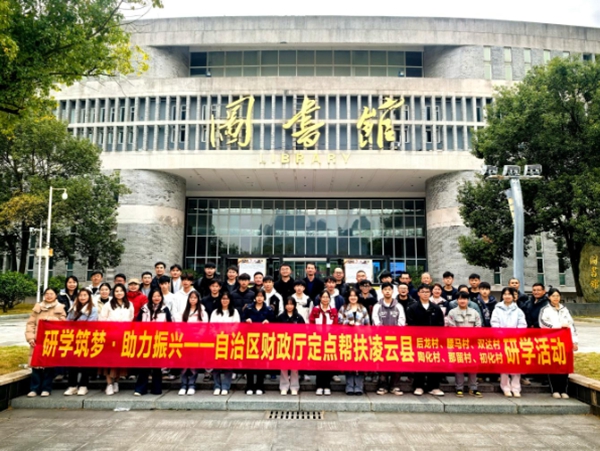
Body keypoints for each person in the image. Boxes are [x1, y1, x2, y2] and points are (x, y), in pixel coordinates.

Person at [25, 288, 66, 397]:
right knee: (36, 365)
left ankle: (46, 388)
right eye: (47, 294)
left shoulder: (60, 308)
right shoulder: (37, 307)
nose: (49, 296)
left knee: (49, 366)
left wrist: (50, 319)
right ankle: (34, 389)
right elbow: (30, 324)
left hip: (51, 340)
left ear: (56, 295)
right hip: (37, 341)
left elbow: (63, 324)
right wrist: (30, 338)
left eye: (51, 294)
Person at [406, 284, 445, 396]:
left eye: (427, 292)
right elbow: (411, 324)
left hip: (433, 341)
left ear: (430, 293)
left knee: (434, 363)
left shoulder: (436, 308)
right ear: (418, 293)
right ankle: (419, 386)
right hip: (418, 340)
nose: (425, 294)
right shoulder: (413, 308)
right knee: (420, 363)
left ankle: (434, 387)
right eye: (422, 292)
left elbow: (440, 324)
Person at [539, 287, 578, 399]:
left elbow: (572, 325)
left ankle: (563, 390)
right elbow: (543, 323)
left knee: (564, 366)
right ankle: (555, 389)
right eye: (553, 296)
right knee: (554, 365)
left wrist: (575, 341)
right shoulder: (545, 310)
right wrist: (558, 327)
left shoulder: (564, 310)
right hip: (552, 341)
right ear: (549, 297)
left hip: (565, 341)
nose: (556, 298)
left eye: (557, 296)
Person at [134, 289, 172, 396]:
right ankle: (141, 389)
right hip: (145, 340)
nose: (156, 298)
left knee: (157, 366)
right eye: (154, 296)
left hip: (159, 340)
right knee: (144, 366)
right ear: (150, 297)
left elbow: (169, 325)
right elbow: (137, 324)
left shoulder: (165, 309)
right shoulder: (144, 309)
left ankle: (156, 389)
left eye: (158, 296)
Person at [491, 286, 527, 397]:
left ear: (513, 296)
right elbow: (494, 323)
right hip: (502, 340)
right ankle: (505, 387)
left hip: (515, 341)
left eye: (509, 294)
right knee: (504, 364)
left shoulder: (518, 310)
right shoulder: (497, 309)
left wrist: (515, 334)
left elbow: (522, 324)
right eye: (505, 294)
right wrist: (502, 334)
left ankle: (516, 388)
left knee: (516, 364)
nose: (507, 296)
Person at [98, 283, 134, 395]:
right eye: (117, 291)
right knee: (109, 361)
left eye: (121, 291)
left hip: (123, 336)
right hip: (110, 336)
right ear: (113, 293)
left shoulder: (129, 304)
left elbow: (131, 319)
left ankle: (116, 382)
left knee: (120, 361)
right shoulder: (108, 305)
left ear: (124, 292)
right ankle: (109, 384)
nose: (119, 293)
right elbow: (102, 320)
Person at [372, 282, 406, 396]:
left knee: (396, 361)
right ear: (382, 291)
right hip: (381, 339)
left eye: (389, 289)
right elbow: (375, 321)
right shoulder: (377, 306)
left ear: (393, 291)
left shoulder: (398, 306)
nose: (387, 291)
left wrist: (394, 332)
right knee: (382, 361)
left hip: (396, 339)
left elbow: (402, 321)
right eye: (385, 289)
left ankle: (394, 386)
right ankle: (382, 385)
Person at [63, 288, 98, 396]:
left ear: (89, 297)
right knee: (72, 363)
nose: (82, 297)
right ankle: (72, 386)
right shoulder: (73, 308)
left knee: (85, 363)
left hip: (86, 339)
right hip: (73, 339)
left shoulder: (93, 309)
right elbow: (68, 322)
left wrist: (77, 327)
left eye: (85, 295)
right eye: (80, 295)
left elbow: (90, 325)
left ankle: (83, 385)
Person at [447, 292, 482, 397]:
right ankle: (459, 387)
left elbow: (478, 327)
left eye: (465, 299)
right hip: (458, 343)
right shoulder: (452, 312)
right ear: (457, 300)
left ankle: (473, 388)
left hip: (472, 343)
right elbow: (451, 327)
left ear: (468, 300)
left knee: (473, 366)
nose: (462, 301)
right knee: (459, 365)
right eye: (460, 299)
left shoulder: (474, 312)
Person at [242, 289, 275, 395]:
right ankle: (249, 386)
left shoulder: (269, 309)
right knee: (249, 363)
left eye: (261, 296)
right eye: (258, 296)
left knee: (261, 363)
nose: (259, 298)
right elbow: (242, 320)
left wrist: (268, 322)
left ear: (264, 298)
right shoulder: (248, 308)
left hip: (263, 339)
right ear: (255, 297)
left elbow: (274, 323)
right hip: (250, 339)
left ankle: (260, 386)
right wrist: (246, 321)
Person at [338, 287, 370, 395]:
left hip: (360, 339)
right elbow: (339, 323)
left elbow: (367, 324)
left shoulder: (363, 308)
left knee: (360, 363)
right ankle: (349, 386)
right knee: (348, 363)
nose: (353, 298)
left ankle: (359, 386)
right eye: (351, 296)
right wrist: (347, 323)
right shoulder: (343, 308)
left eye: (355, 296)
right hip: (347, 339)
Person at [176, 290, 207, 395]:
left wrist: (198, 335)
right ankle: (183, 384)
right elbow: (178, 325)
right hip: (185, 340)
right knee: (184, 363)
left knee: (193, 363)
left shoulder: (202, 311)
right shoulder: (183, 311)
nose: (193, 300)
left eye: (195, 298)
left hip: (196, 340)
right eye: (191, 298)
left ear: (198, 299)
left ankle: (192, 384)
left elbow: (204, 326)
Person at [309, 290, 339, 396]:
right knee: (319, 363)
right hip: (318, 339)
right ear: (320, 298)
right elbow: (311, 323)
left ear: (329, 299)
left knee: (328, 363)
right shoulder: (315, 309)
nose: (325, 299)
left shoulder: (333, 310)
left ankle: (327, 386)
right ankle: (319, 385)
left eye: (327, 297)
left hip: (329, 340)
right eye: (323, 297)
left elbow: (336, 325)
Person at [210, 292, 240, 395]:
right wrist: (217, 334)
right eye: (223, 299)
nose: (225, 301)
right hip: (217, 341)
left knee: (228, 365)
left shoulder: (234, 312)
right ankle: (217, 386)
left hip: (229, 341)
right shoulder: (215, 312)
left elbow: (236, 325)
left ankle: (226, 386)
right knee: (216, 365)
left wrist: (228, 334)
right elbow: (212, 326)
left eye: (227, 299)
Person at [276, 297, 305, 395]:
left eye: (291, 304)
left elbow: (303, 331)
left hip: (295, 345)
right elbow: (276, 331)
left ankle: (294, 387)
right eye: (287, 304)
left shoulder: (299, 317)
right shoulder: (280, 317)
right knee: (283, 366)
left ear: (294, 305)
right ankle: (284, 386)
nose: (289, 306)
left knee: (294, 367)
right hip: (283, 344)